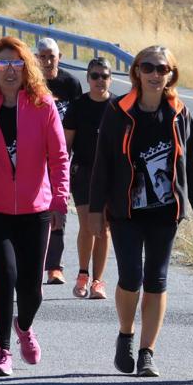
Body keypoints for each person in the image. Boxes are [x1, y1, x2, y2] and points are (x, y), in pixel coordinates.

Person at [90, 45, 193, 379]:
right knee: (131, 277)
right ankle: (126, 334)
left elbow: (191, 165)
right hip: (126, 211)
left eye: (162, 69)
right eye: (148, 68)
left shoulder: (179, 113)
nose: (155, 75)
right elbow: (103, 165)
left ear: (171, 73)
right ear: (137, 72)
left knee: (156, 280)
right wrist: (95, 210)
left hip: (164, 211)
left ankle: (147, 352)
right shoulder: (118, 111)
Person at [0, 37, 69, 377]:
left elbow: (58, 157)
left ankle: (24, 326)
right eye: (3, 65)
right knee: (4, 276)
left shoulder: (43, 105)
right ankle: (3, 351)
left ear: (27, 68)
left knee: (32, 288)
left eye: (17, 64)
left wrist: (59, 199)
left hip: (35, 208)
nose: (10, 71)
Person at [62, 58, 117, 300]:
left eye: (104, 76)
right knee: (87, 225)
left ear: (110, 79)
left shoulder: (118, 106)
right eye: (94, 76)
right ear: (87, 78)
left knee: (104, 228)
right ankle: (82, 275)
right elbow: (66, 146)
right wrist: (60, 178)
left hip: (111, 175)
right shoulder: (78, 106)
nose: (99, 81)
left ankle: (98, 281)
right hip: (83, 171)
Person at [34, 38, 83, 286]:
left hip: (60, 156)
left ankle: (54, 266)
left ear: (59, 56)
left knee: (58, 207)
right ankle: (34, 263)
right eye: (42, 56)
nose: (47, 61)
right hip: (33, 157)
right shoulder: (31, 82)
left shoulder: (71, 84)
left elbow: (77, 120)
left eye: (51, 56)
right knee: (33, 212)